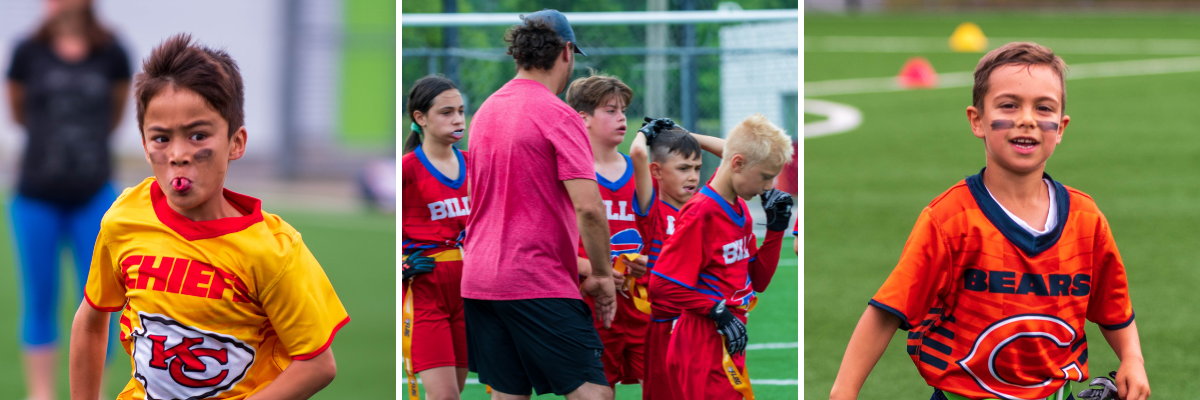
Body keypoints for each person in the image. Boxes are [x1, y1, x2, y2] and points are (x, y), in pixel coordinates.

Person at [828, 42, 1150, 400]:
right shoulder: (950, 219)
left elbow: (1113, 305)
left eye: (1043, 108)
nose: (1026, 118)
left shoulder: (1085, 218)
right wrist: (844, 392)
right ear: (977, 120)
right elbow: (886, 311)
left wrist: (1132, 359)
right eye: (1009, 105)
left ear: (1060, 127)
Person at [68, 33, 348, 400]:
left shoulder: (274, 251)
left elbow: (317, 364)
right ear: (144, 143)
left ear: (236, 142)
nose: (179, 154)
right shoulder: (124, 218)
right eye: (161, 138)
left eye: (198, 135)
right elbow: (90, 320)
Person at [461, 9, 617, 400]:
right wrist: (600, 274)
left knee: (508, 394)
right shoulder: (558, 114)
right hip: (534, 281)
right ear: (567, 51)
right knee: (595, 394)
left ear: (518, 54)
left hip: (479, 281)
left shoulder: (484, 112)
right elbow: (590, 208)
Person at [5, 0, 129, 397]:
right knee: (39, 297)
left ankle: (93, 391)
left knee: (100, 304)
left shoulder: (112, 52)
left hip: (94, 196)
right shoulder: (27, 51)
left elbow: (117, 112)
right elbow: (19, 112)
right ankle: (41, 392)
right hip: (36, 197)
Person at [649, 114, 795, 400]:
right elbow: (661, 286)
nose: (769, 187)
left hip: (725, 336)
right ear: (738, 165)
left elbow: (759, 281)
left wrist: (776, 229)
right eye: (766, 177)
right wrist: (716, 310)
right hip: (701, 341)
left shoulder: (737, 204)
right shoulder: (700, 213)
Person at [563, 72, 651, 388]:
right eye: (610, 110)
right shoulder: (568, 174)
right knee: (599, 389)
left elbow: (659, 232)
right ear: (582, 118)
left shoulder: (640, 171)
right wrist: (589, 268)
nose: (622, 118)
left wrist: (649, 261)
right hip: (591, 299)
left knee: (663, 382)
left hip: (640, 300)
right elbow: (548, 241)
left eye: (624, 110)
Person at [626, 117, 723, 400]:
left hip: (704, 323)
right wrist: (647, 133)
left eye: (696, 168)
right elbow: (638, 154)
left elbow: (733, 153)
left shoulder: (705, 206)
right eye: (683, 168)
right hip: (666, 327)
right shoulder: (653, 210)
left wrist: (683, 135)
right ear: (656, 171)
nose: (693, 176)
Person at [401, 74, 470, 400]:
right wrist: (399, 263)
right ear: (420, 118)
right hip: (427, 292)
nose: (457, 119)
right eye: (446, 112)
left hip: (470, 292)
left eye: (460, 110)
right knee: (445, 396)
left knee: (452, 393)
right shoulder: (406, 170)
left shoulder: (476, 165)